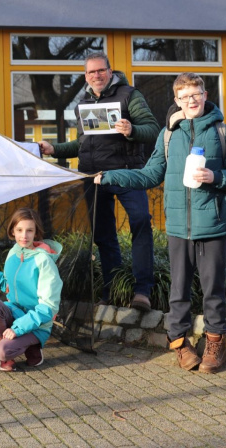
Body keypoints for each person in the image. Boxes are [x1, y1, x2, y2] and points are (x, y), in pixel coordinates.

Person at [95, 73, 226, 373]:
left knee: (213, 288)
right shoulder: (168, 136)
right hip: (179, 226)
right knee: (177, 290)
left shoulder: (224, 132)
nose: (191, 101)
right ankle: (179, 341)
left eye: (196, 94)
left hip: (214, 225)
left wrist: (215, 177)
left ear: (205, 95)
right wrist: (112, 175)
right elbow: (149, 175)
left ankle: (215, 343)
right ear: (176, 101)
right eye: (184, 96)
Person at [39, 52, 159, 312]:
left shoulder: (130, 95)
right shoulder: (82, 103)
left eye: (101, 70)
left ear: (110, 70)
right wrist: (54, 149)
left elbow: (152, 129)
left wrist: (132, 130)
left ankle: (142, 291)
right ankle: (112, 290)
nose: (97, 75)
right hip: (94, 178)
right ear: (86, 76)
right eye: (91, 72)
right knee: (103, 237)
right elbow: (82, 144)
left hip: (127, 173)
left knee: (140, 224)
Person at [0, 208, 63, 372]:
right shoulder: (13, 253)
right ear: (12, 231)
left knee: (2, 351)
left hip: (37, 324)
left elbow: (48, 308)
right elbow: (8, 284)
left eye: (29, 230)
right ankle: (11, 349)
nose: (24, 236)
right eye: (19, 230)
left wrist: (17, 329)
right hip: (16, 312)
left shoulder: (44, 261)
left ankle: (30, 347)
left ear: (36, 232)